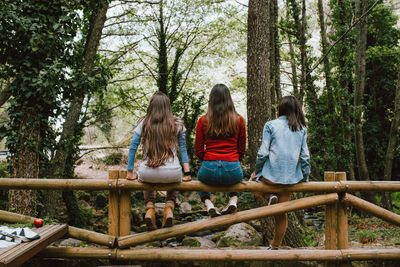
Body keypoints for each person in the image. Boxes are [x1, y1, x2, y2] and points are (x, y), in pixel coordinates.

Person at [252, 95, 310, 250]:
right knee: (281, 214)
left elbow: (262, 153)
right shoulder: (301, 128)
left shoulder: (270, 125)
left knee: (251, 183)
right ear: (296, 110)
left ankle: (269, 195)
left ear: (280, 109)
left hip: (270, 177)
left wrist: (257, 173)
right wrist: (305, 176)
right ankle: (275, 246)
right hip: (290, 179)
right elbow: (305, 156)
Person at [126, 92, 191, 230]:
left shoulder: (144, 122)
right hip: (172, 173)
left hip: (148, 172)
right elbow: (183, 149)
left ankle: (150, 209)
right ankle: (169, 207)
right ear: (168, 107)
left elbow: (133, 147)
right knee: (174, 180)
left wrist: (130, 172)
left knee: (146, 180)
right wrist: (187, 173)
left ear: (151, 106)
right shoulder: (177, 123)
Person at [195, 84, 246, 217]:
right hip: (232, 168)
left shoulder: (203, 120)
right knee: (238, 180)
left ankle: (208, 203)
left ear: (211, 100)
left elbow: (199, 150)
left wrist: (207, 160)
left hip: (209, 168)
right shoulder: (239, 120)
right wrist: (234, 160)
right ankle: (233, 199)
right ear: (229, 100)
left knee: (199, 181)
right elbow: (241, 148)